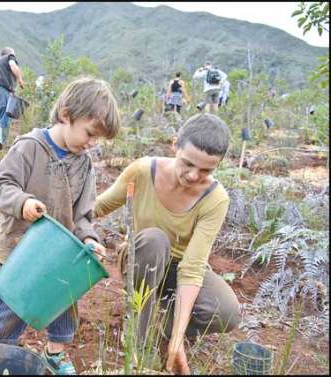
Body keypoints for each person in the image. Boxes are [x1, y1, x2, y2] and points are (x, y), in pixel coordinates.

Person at [0, 77, 121, 375]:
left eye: (98, 139)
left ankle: (54, 354)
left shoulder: (83, 164)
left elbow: (84, 215)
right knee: (17, 300)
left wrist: (89, 239)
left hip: (62, 251)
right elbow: (2, 185)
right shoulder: (29, 147)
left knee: (64, 299)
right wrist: (23, 203)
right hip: (23, 247)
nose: (92, 143)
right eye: (90, 133)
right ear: (66, 115)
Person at [94, 113, 241, 375]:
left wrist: (176, 337)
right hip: (142, 258)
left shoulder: (216, 199)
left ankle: (165, 331)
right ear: (175, 145)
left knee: (226, 312)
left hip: (179, 268)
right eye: (188, 163)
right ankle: (139, 336)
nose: (194, 175)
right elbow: (99, 206)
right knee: (155, 240)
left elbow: (193, 267)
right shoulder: (142, 171)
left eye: (206, 170)